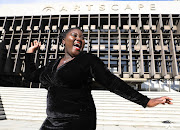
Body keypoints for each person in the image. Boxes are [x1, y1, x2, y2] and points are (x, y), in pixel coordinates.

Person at [25, 27, 173, 130]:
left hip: (78, 122)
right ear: (63, 40)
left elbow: (112, 82)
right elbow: (31, 76)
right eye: (75, 35)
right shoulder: (51, 65)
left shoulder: (88, 60)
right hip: (51, 122)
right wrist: (30, 53)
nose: (79, 39)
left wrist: (146, 101)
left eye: (82, 38)